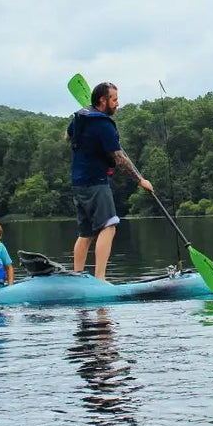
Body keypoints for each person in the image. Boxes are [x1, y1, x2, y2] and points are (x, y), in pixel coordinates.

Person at [67, 81, 154, 280]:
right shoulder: (103, 124)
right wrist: (140, 180)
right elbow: (119, 157)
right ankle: (100, 279)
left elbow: (67, 136)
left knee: (86, 232)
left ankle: (77, 276)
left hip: (78, 182)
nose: (117, 103)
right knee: (109, 226)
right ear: (102, 100)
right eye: (114, 100)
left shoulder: (80, 117)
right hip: (95, 182)